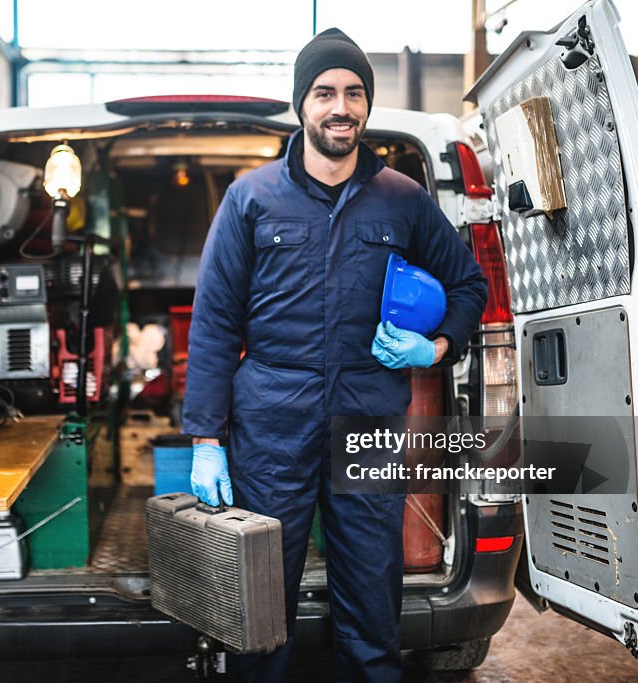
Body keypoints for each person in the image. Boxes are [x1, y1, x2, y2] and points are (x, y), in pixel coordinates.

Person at [182, 28, 488, 682]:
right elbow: (213, 323)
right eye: (324, 92)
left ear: (366, 107)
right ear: (302, 105)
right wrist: (206, 436)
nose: (340, 106)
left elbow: (470, 285)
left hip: (368, 422)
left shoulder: (402, 198)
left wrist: (434, 344)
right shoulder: (251, 199)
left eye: (353, 92)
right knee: (258, 604)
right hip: (271, 425)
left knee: (373, 604)